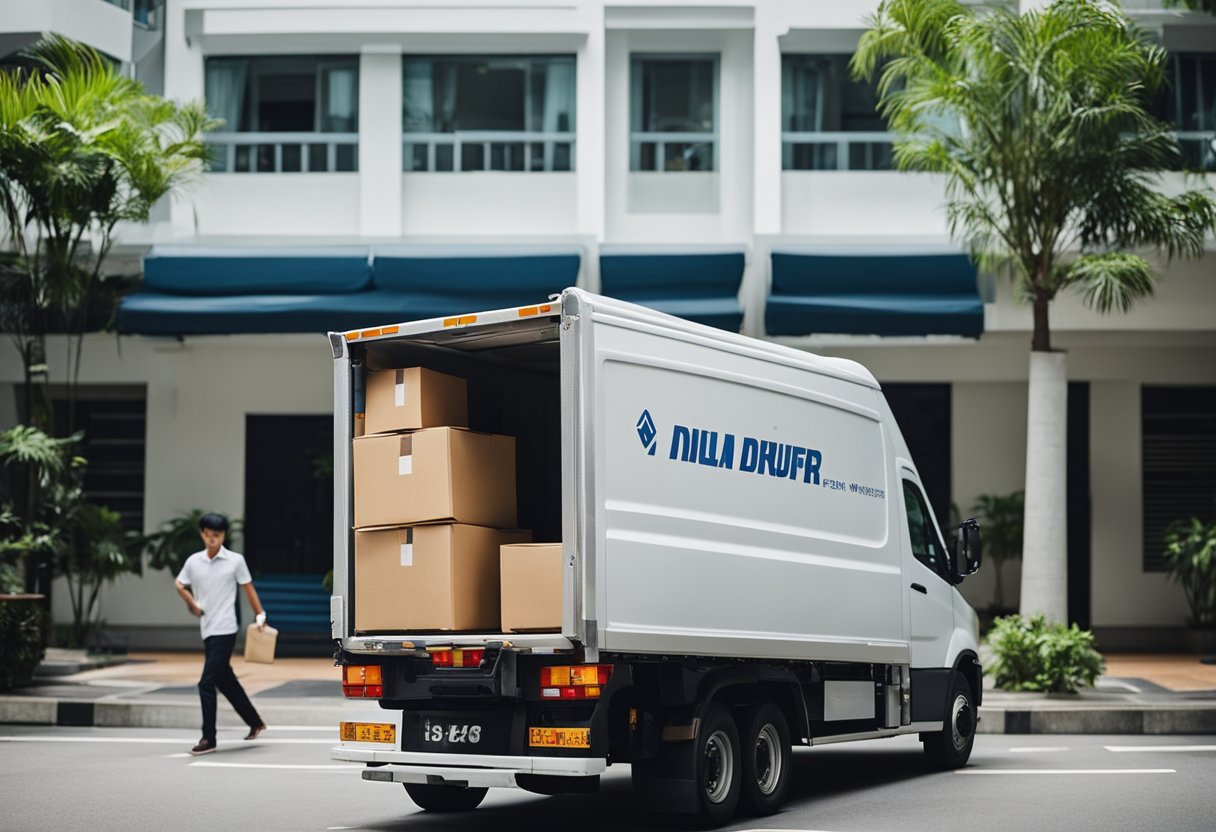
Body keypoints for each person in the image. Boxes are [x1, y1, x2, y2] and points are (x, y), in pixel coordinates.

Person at [175, 512, 268, 755]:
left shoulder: (235, 561)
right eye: (207, 534)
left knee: (206, 683)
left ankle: (209, 738)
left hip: (226, 628)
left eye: (216, 535)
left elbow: (248, 589)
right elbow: (179, 583)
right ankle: (255, 721)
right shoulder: (194, 561)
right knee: (224, 679)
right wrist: (191, 603)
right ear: (202, 534)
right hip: (208, 628)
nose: (212, 539)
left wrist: (260, 615)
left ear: (223, 535)